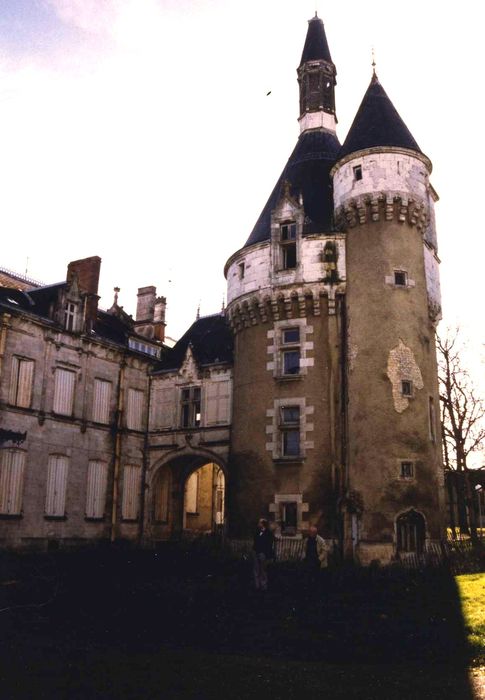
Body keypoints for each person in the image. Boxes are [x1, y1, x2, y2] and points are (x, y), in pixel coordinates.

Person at [252, 518, 275, 591]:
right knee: (256, 569)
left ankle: (263, 585)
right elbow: (255, 540)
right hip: (256, 552)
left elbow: (269, 544)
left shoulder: (268, 533)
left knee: (263, 570)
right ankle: (257, 585)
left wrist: (265, 553)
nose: (258, 524)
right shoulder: (258, 532)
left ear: (263, 524)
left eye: (260, 523)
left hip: (263, 553)